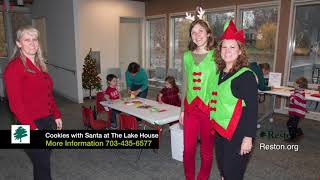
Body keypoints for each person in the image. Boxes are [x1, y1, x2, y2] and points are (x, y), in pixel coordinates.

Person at [4, 26, 62, 180]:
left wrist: (56, 115)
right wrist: (33, 128)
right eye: (27, 40)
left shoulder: (39, 65)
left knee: (41, 163)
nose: (32, 43)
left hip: (46, 121)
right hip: (24, 126)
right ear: (18, 43)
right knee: (42, 164)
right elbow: (15, 106)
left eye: (35, 39)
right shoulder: (14, 68)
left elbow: (48, 94)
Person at [210, 20, 257, 180]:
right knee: (224, 170)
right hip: (220, 132)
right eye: (224, 46)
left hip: (238, 135)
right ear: (219, 50)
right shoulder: (219, 73)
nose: (227, 50)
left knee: (233, 174)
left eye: (232, 47)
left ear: (239, 51)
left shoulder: (246, 75)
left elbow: (252, 110)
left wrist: (248, 138)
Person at [179, 15, 217, 179]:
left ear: (208, 33)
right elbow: (185, 83)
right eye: (193, 32)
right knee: (188, 149)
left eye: (200, 30)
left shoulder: (217, 55)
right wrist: (181, 110)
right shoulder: (187, 56)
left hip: (209, 109)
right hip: (189, 108)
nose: (197, 35)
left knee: (206, 151)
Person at [286, 77, 307, 141]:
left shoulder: (299, 94)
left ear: (298, 85)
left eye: (295, 83)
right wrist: (293, 94)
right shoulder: (298, 92)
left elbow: (295, 102)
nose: (294, 84)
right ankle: (298, 132)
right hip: (296, 112)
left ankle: (293, 137)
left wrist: (291, 96)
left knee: (292, 124)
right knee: (291, 123)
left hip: (298, 113)